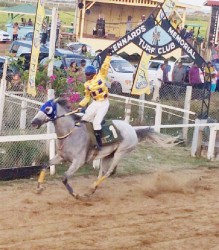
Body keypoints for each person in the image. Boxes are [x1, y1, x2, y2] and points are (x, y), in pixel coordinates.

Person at [79, 52, 111, 150]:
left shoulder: (100, 76)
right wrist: (80, 105)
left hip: (104, 103)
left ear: (93, 74)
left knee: (97, 122)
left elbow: (105, 66)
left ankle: (99, 143)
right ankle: (87, 139)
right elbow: (87, 97)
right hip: (95, 102)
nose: (86, 76)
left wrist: (108, 56)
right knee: (84, 119)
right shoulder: (86, 85)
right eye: (86, 74)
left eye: (88, 74)